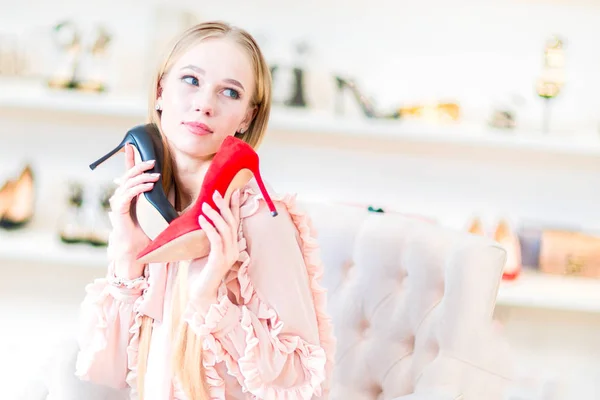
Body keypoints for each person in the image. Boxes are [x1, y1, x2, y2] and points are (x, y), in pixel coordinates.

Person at [75, 21, 336, 400]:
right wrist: (128, 255)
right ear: (161, 91)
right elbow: (108, 371)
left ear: (247, 117)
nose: (204, 104)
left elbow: (303, 381)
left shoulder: (260, 219)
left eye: (229, 92)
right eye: (191, 81)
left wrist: (210, 295)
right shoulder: (149, 206)